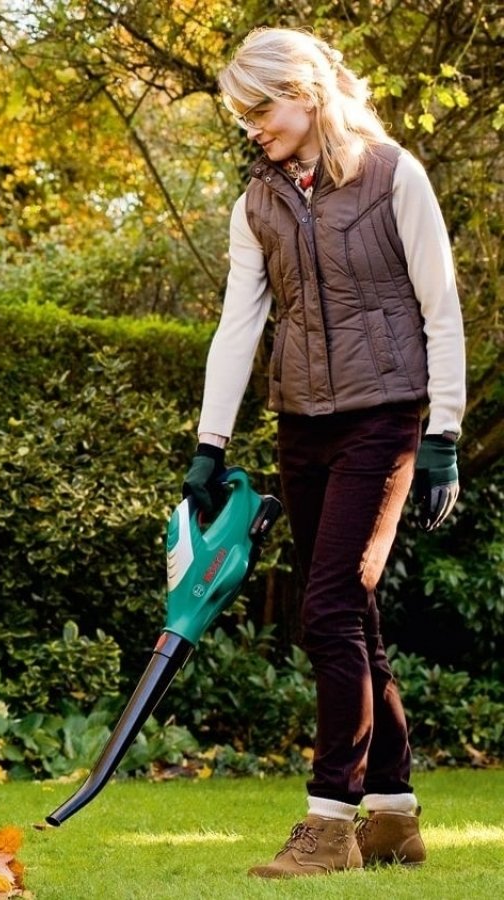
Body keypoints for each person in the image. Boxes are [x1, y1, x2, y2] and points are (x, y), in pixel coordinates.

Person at [181, 27, 466, 879]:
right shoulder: (257, 202)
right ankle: (393, 813)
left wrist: (443, 431)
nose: (252, 128)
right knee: (353, 612)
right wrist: (209, 442)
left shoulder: (393, 176)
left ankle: (328, 819)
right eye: (244, 116)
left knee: (328, 609)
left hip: (384, 418)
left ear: (305, 93)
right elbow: (239, 326)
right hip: (302, 422)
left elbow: (441, 304)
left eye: (259, 109)